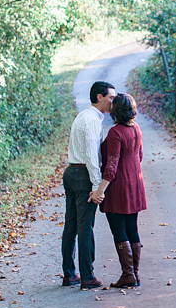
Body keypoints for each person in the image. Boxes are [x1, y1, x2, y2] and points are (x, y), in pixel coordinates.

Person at [61, 80, 116, 289]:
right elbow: (93, 156)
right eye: (111, 98)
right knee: (85, 227)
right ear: (99, 97)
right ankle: (87, 276)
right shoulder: (92, 120)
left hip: (71, 172)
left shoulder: (83, 116)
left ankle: (69, 274)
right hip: (84, 175)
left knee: (71, 226)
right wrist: (96, 186)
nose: (113, 102)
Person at [92, 94, 147, 288]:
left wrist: (100, 190)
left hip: (119, 187)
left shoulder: (115, 132)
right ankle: (135, 274)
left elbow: (111, 166)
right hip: (135, 184)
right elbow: (139, 155)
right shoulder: (136, 129)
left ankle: (128, 275)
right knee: (132, 228)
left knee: (119, 230)